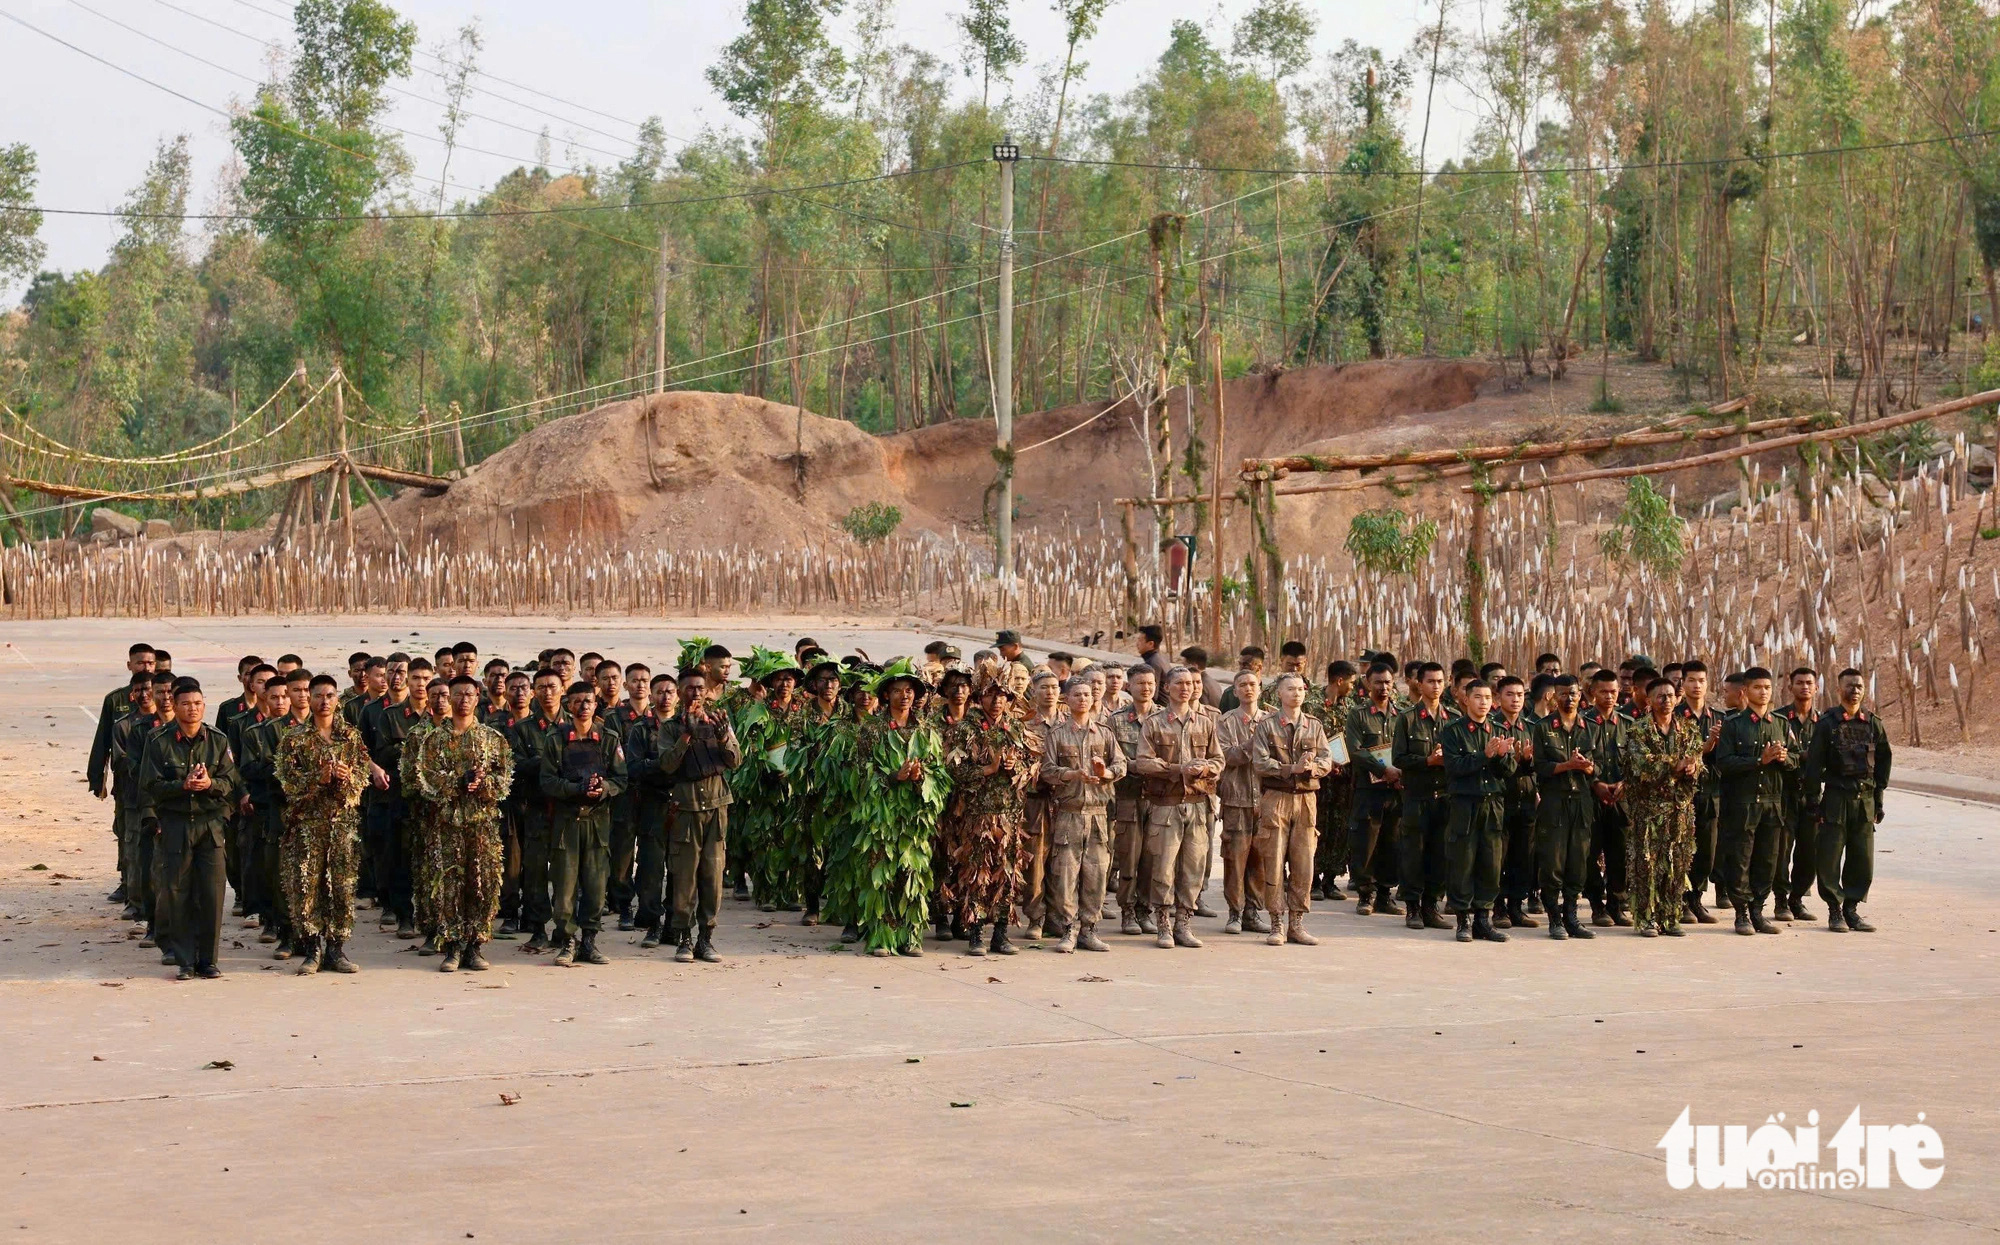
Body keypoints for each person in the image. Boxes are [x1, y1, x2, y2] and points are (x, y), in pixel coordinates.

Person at [408, 674, 514, 972]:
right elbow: (426, 779)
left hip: (482, 824)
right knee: (449, 885)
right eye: (458, 694)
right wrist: (457, 782)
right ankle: (453, 946)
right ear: (449, 698)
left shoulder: (493, 740)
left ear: (478, 696)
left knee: (482, 884)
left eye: (469, 694)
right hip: (447, 825)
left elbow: (504, 781)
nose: (463, 699)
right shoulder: (434, 739)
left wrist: (483, 783)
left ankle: (475, 945)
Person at [141, 677, 242, 980]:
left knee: (212, 894)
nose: (192, 709)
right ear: (175, 704)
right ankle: (185, 960)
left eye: (197, 703)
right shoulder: (158, 741)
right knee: (177, 892)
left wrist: (210, 784)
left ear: (204, 705)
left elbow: (230, 782)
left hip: (210, 826)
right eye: (186, 703)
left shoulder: (218, 740)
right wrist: (181, 785)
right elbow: (151, 785)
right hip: (175, 825)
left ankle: (208, 960)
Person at [275, 674, 369, 975]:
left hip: (342, 825)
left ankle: (336, 948)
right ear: (307, 699)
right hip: (307, 825)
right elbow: (287, 784)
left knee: (341, 887)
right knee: (308, 887)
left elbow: (362, 780)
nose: (324, 701)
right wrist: (319, 778)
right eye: (318, 695)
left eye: (329, 695)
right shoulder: (294, 739)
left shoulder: (351, 737)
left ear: (337, 698)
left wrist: (346, 777)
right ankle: (312, 947)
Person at [1129, 666, 1224, 949]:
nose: (1185, 688)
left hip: (1197, 804)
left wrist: (1206, 767)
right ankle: (1163, 923)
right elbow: (1144, 762)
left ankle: (1184, 922)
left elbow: (1219, 760)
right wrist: (1178, 769)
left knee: (1193, 867)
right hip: (1165, 806)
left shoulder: (1205, 722)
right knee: (1163, 867)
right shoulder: (1155, 722)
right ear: (1166, 688)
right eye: (1178, 683)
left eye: (1189, 684)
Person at [538, 681, 628, 966]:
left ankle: (589, 941)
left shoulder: (609, 738)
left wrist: (602, 789)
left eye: (588, 700)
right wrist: (576, 789)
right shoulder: (556, 739)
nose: (583, 706)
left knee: (595, 885)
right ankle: (567, 941)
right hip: (567, 823)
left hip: (598, 823)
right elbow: (547, 781)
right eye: (577, 701)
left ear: (596, 702)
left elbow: (621, 779)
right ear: (568, 705)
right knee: (564, 888)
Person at [655, 669, 742, 963]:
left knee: (713, 875)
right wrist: (687, 736)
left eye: (700, 688)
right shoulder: (670, 728)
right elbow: (666, 765)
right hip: (686, 809)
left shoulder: (719, 721)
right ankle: (685, 938)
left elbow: (735, 760)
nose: (695, 694)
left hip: (716, 808)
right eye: (689, 688)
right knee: (684, 876)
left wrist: (722, 736)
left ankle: (706, 938)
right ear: (679, 693)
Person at [941, 679, 1031, 956]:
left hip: (1010, 816)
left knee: (1006, 877)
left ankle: (1001, 935)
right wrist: (988, 770)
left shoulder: (1015, 728)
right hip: (978, 815)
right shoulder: (965, 729)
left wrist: (1017, 766)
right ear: (981, 697)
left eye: (1002, 695)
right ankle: (975, 933)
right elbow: (954, 771)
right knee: (976, 877)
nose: (997, 701)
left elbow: (1030, 763)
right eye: (991, 695)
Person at [1039, 676, 1126, 953]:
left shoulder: (1104, 733)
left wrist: (1106, 773)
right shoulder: (1057, 734)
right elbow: (1047, 771)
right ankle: (1068, 929)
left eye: (1087, 694)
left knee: (1097, 873)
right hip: (1069, 814)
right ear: (1067, 699)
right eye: (1077, 695)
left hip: (1098, 815)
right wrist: (1071, 774)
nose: (1083, 699)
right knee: (1065, 874)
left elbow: (1121, 764)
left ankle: (1089, 929)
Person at [1803, 669, 1891, 933]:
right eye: (1850, 686)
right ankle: (1835, 910)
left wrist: (1878, 799)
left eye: (1860, 686)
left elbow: (1884, 761)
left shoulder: (1873, 723)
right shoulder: (1827, 723)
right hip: (1836, 799)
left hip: (1863, 801)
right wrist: (1813, 801)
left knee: (1862, 859)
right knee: (1829, 858)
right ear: (1839, 689)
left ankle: (1852, 909)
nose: (1855, 690)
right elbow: (1814, 765)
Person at [1251, 672, 1334, 946]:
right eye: (1290, 689)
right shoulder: (1266, 725)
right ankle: (1276, 921)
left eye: (1300, 689)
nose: (1296, 693)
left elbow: (1327, 758)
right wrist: (1291, 769)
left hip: (1307, 799)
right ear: (1279, 693)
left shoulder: (1314, 725)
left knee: (1303, 862)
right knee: (1273, 860)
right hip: (1276, 797)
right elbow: (1260, 763)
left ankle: (1297, 923)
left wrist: (1313, 768)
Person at [1714, 666, 1798, 935]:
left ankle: (1758, 911)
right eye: (1757, 688)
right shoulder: (1733, 725)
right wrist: (1757, 761)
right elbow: (1723, 763)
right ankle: (1741, 913)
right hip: (1743, 802)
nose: (1763, 692)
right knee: (1741, 859)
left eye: (1767, 688)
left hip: (1772, 803)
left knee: (1768, 859)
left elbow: (1797, 760)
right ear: (1745, 692)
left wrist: (1786, 759)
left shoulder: (1782, 724)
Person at [1620, 677, 1704, 936]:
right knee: (1647, 865)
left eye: (1670, 695)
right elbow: (1642, 764)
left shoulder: (1688, 729)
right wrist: (1674, 764)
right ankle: (1646, 917)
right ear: (1649, 700)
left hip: (1680, 810)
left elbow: (1697, 758)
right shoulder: (1639, 730)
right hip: (1649, 810)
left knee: (1677, 864)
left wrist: (1692, 767)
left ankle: (1670, 916)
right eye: (1660, 696)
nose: (1666, 700)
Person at [1439, 680, 1517, 942]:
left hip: (1492, 803)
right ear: (1466, 700)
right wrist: (1484, 755)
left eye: (1487, 698)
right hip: (1465, 803)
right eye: (1477, 697)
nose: (1483, 702)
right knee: (1463, 860)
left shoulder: (1498, 729)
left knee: (1491, 863)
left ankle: (1484, 919)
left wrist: (1502, 757)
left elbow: (1509, 773)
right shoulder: (1453, 731)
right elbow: (1454, 767)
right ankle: (1464, 920)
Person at [1533, 675, 1598, 940]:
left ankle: (1571, 915)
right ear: (1553, 697)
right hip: (1554, 802)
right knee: (1553, 862)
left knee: (1578, 862)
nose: (1568, 698)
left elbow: (1599, 766)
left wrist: (1588, 767)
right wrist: (1567, 766)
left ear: (1580, 694)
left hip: (1581, 802)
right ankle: (1554, 918)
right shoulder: (1543, 727)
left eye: (1572, 693)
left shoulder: (1590, 726)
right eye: (1562, 694)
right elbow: (1540, 767)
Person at [511, 668, 569, 952]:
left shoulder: (576, 724)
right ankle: (537, 928)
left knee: (565, 871)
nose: (548, 692)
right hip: (535, 808)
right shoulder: (522, 729)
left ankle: (564, 928)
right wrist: (552, 762)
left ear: (563, 689)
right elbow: (517, 766)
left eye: (553, 686)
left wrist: (542, 761)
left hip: (567, 810)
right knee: (534, 871)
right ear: (533, 691)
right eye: (542, 687)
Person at [234, 674, 293, 955]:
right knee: (265, 867)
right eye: (274, 697)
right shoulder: (254, 732)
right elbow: (248, 769)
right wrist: (279, 773)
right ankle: (271, 921)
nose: (280, 702)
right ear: (264, 698)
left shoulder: (301, 730)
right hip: (264, 807)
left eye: (285, 696)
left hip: (293, 808)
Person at [1393, 662, 1454, 932]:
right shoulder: (1407, 718)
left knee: (1440, 853)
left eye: (1440, 681)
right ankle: (1413, 908)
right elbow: (1399, 758)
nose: (1436, 686)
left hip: (1445, 797)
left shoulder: (1453, 718)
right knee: (1414, 854)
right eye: (1430, 681)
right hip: (1417, 796)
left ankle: (1432, 905)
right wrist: (1427, 761)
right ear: (1419, 683)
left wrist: (1448, 760)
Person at [1344, 661, 1404, 917]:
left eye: (1388, 682)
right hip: (1368, 791)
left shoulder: (1401, 715)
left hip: (1396, 791)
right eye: (1378, 681)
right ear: (1368, 683)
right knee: (1365, 842)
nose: (1384, 687)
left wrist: (1401, 774)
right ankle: (1365, 895)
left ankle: (1384, 894)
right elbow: (1355, 750)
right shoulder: (1358, 715)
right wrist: (1383, 770)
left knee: (1392, 842)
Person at [625, 671, 679, 947]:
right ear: (651, 695)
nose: (665, 696)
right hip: (651, 804)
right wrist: (664, 765)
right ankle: (653, 923)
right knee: (650, 867)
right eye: (660, 691)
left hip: (682, 804)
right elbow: (633, 767)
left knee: (680, 868)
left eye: (670, 691)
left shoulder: (686, 727)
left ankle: (674, 924)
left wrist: (656, 764)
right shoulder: (641, 729)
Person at [1215, 668, 1271, 935]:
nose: (1248, 689)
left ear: (1260, 687)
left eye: (1253, 684)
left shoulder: (1272, 720)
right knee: (1235, 859)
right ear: (1234, 691)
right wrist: (1255, 742)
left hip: (1266, 798)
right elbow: (1230, 756)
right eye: (1242, 685)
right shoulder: (1225, 722)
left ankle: (1253, 911)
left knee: (1260, 858)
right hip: (1236, 799)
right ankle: (1234, 912)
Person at [1107, 665, 1158, 935]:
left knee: (1152, 859)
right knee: (1128, 858)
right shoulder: (1116, 720)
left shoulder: (1164, 717)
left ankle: (1144, 910)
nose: (1146, 688)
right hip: (1127, 797)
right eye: (1140, 683)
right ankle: (1127, 911)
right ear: (1130, 686)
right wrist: (1136, 765)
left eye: (1150, 683)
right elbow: (1111, 757)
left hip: (1159, 799)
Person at [1675, 661, 1725, 924]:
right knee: (1681, 848)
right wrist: (1703, 748)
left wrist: (1717, 745)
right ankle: (1680, 899)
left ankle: (1696, 897)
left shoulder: (1719, 718)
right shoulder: (1673, 716)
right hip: (1681, 795)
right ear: (1682, 683)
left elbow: (1726, 759)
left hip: (1710, 793)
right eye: (1691, 680)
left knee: (1707, 851)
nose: (1697, 685)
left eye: (1701, 680)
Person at [1581, 670, 1631, 927]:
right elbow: (1579, 759)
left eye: (1614, 692)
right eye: (1604, 691)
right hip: (1591, 799)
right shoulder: (1582, 723)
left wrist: (1625, 783)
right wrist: (1595, 784)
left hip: (1620, 800)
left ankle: (1616, 904)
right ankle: (1596, 905)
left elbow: (1637, 762)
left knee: (1619, 854)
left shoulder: (1628, 724)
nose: (1610, 696)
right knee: (1589, 854)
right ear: (1592, 693)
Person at [1490, 675, 1540, 930]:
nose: (1516, 699)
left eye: (1520, 695)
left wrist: (1528, 762)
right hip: (1500, 800)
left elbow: (1538, 766)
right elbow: (1490, 766)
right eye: (1510, 694)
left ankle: (1516, 907)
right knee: (1499, 856)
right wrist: (1514, 761)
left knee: (1523, 856)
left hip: (1526, 800)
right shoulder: (1491, 726)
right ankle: (1498, 908)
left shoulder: (1531, 727)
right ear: (1498, 698)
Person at [1773, 667, 1820, 920]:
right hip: (1783, 793)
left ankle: (1797, 898)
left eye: (1809, 683)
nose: (1804, 687)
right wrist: (1802, 757)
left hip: (1811, 795)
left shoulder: (1823, 722)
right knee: (1781, 851)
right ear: (1790, 687)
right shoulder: (1778, 719)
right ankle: (1781, 900)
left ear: (1816, 688)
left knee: (1810, 851)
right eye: (1799, 683)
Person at [1308, 661, 1358, 902]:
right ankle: (1313, 879)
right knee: (1316, 828)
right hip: (1318, 781)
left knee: (1338, 830)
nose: (1352, 687)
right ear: (1339, 680)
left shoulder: (1351, 708)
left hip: (1343, 781)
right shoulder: (1312, 705)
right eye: (1351, 682)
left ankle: (1330, 880)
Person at [1018, 672, 1062, 938]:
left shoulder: (1070, 722)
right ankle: (1035, 917)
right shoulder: (1025, 724)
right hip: (1035, 801)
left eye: (1055, 687)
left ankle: (1057, 916)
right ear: (1034, 691)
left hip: (1066, 801)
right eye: (1044, 687)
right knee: (1035, 862)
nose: (1050, 692)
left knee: (1062, 862)